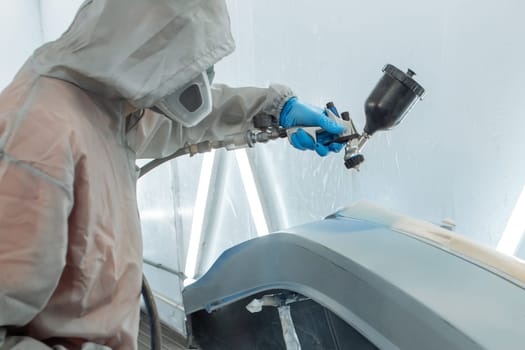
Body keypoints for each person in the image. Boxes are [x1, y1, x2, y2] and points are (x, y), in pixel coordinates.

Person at [0, 0, 345, 349]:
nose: (199, 80)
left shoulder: (105, 103)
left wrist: (274, 111)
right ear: (143, 46)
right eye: (183, 62)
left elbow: (179, 124)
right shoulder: (37, 139)